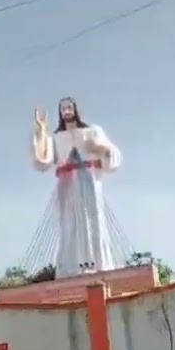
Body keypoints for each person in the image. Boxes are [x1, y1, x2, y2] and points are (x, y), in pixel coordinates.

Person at [31, 97, 123, 276]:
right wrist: (41, 130)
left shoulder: (93, 131)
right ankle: (70, 269)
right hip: (67, 185)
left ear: (76, 109)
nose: (66, 111)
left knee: (94, 221)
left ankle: (100, 264)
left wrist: (101, 148)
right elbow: (43, 161)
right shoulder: (56, 139)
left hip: (89, 181)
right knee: (69, 225)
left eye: (69, 107)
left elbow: (113, 155)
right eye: (63, 108)